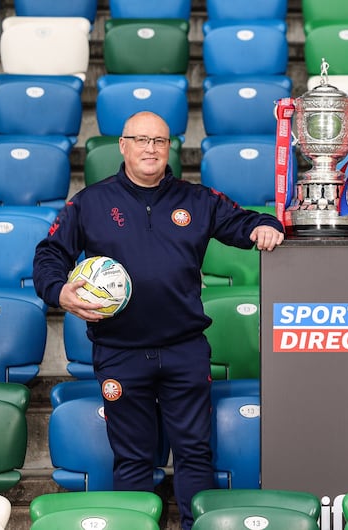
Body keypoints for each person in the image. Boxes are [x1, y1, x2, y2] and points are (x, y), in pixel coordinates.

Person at [33, 111, 285, 529]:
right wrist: (58, 291)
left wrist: (267, 226)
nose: (151, 148)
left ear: (169, 148)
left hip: (184, 350)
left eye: (159, 141)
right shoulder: (91, 202)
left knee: (194, 453)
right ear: (123, 145)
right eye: (141, 139)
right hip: (119, 351)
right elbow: (49, 253)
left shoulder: (198, 200)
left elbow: (247, 221)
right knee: (132, 457)